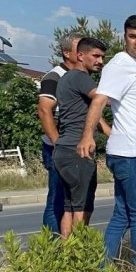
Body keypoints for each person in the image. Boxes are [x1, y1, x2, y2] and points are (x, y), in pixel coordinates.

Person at [77, 15, 136, 272]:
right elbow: (100, 100)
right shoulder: (120, 65)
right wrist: (88, 135)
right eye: (133, 36)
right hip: (131, 153)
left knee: (123, 214)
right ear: (125, 38)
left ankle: (101, 270)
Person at [53, 37, 110, 238]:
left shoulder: (66, 78)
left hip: (63, 148)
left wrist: (108, 131)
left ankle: (67, 255)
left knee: (70, 206)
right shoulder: (80, 77)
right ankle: (79, 255)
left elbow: (90, 111)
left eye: (102, 57)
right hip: (78, 149)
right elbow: (103, 99)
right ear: (80, 55)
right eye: (95, 56)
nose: (100, 61)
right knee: (82, 208)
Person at [37, 33, 81, 232]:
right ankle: (52, 249)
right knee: (57, 200)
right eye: (79, 49)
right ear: (66, 53)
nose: (84, 53)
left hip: (76, 148)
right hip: (59, 149)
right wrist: (58, 144)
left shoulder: (81, 76)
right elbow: (45, 110)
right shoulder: (54, 77)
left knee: (73, 201)